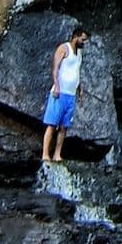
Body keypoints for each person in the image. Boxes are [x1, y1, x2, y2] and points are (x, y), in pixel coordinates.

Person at [40, 28, 89, 163]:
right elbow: (55, 68)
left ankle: (57, 154)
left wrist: (79, 88)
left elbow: (76, 72)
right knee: (52, 124)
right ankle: (45, 154)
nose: (84, 43)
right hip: (59, 93)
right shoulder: (63, 48)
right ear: (75, 37)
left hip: (71, 95)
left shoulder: (79, 54)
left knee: (64, 127)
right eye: (82, 39)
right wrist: (56, 85)